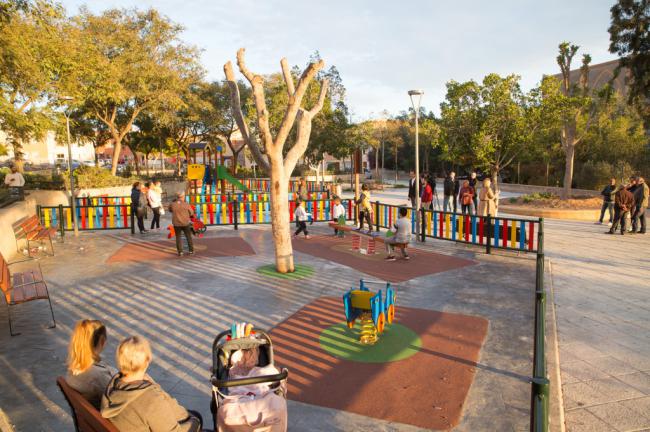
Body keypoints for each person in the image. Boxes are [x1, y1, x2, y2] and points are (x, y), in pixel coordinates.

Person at [101, 336, 202, 432]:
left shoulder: (113, 387)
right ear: (147, 360)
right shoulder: (151, 400)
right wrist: (196, 421)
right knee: (197, 417)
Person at [65, 320, 117, 409]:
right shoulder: (99, 376)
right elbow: (117, 400)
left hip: (88, 416)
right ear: (102, 341)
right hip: (104, 418)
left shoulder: (73, 368)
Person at [169, 192, 195, 256]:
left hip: (176, 223)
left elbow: (170, 210)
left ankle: (180, 252)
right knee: (188, 236)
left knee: (178, 237)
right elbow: (191, 213)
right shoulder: (186, 204)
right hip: (185, 222)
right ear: (183, 197)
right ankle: (191, 250)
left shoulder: (172, 204)